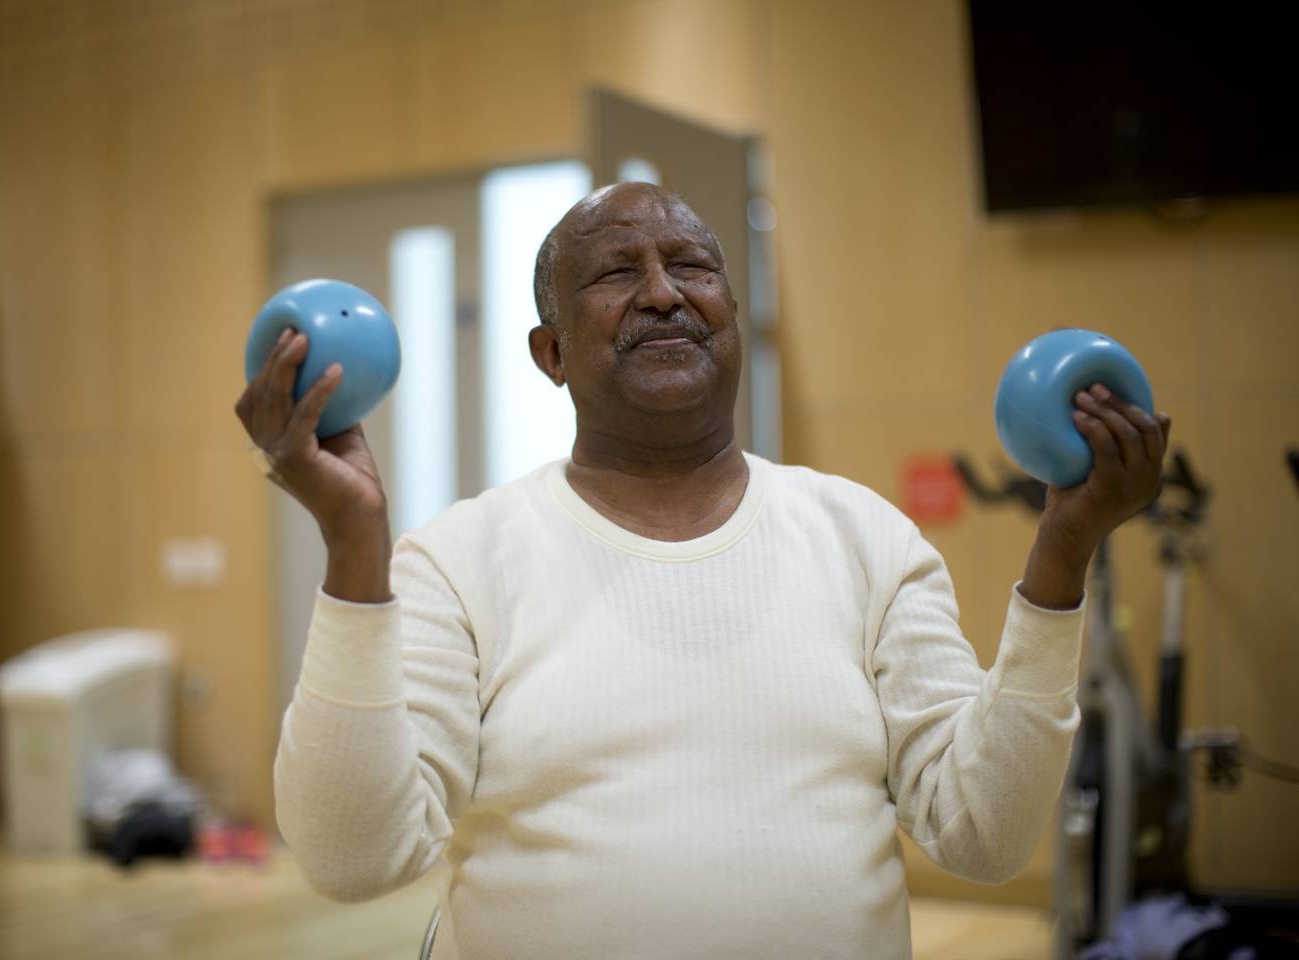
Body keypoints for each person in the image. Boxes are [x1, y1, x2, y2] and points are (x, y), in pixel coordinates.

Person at [234, 182, 1171, 959]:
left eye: (692, 267)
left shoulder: (865, 539)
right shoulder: (459, 558)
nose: (663, 293)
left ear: (732, 312)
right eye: (615, 272)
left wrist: (1063, 549)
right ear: (550, 353)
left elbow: (986, 836)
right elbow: (354, 859)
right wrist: (354, 544)